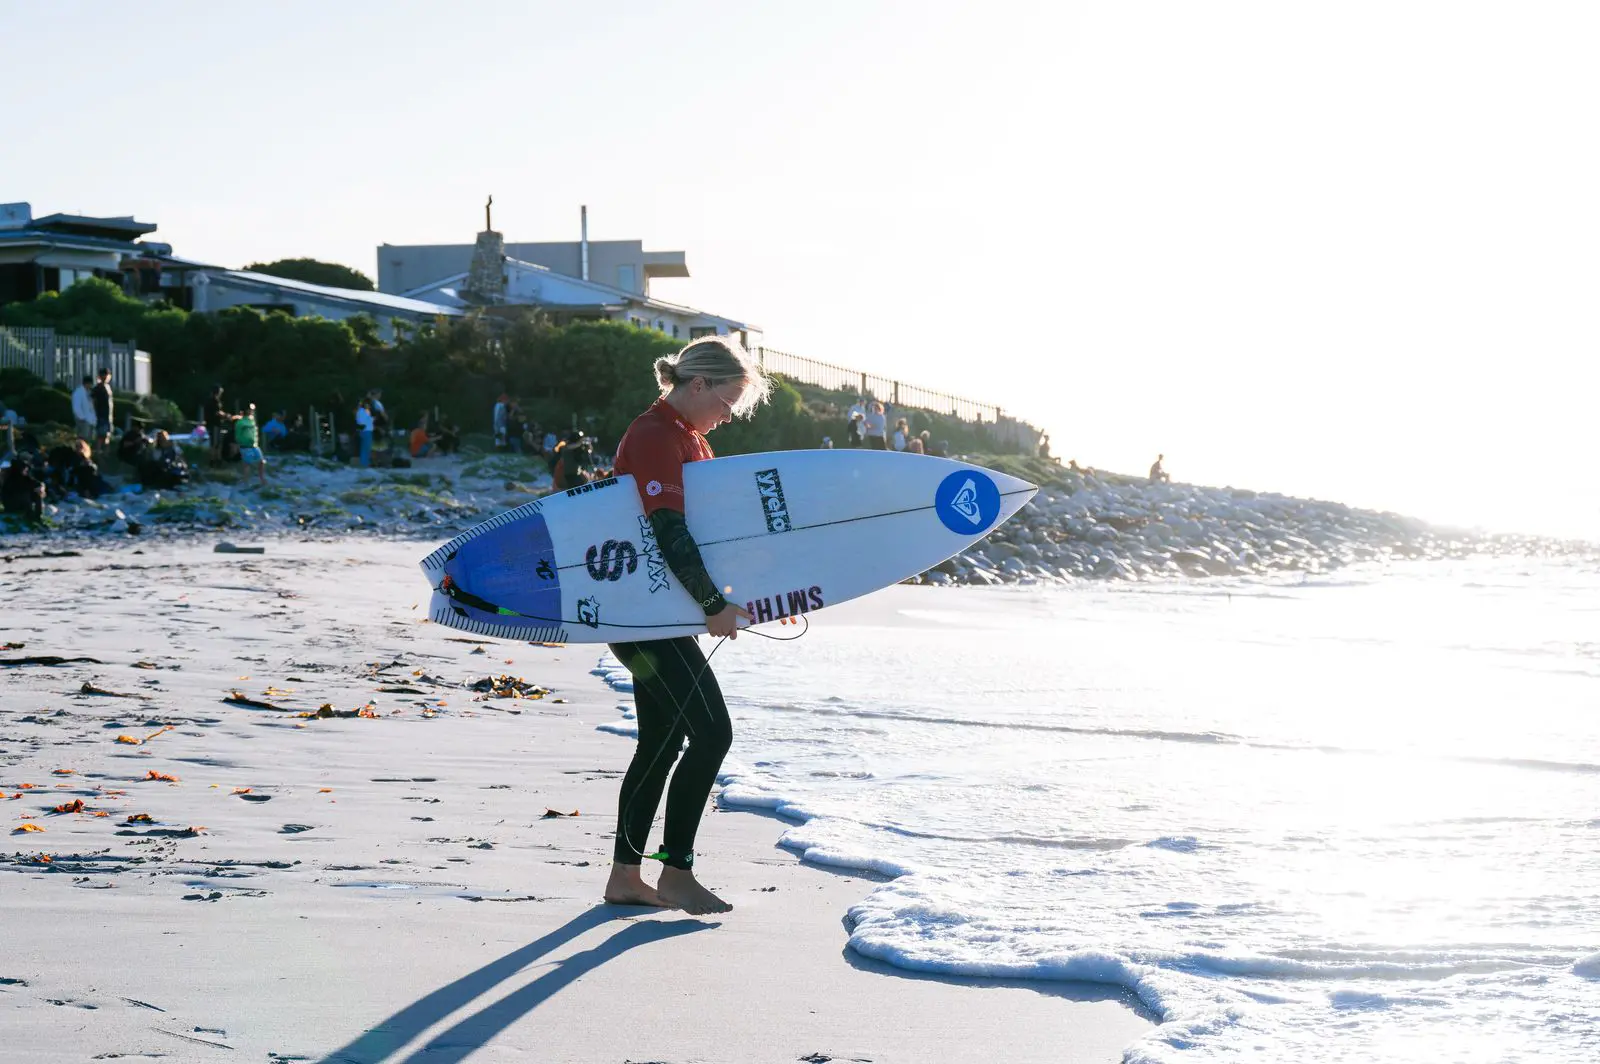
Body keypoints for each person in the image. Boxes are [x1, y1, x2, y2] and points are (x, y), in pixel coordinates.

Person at [604, 335, 772, 915]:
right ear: (697, 384)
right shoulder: (655, 436)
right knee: (712, 733)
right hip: (642, 617)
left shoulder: (688, 438)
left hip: (657, 613)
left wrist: (752, 594)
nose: (727, 418)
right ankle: (676, 871)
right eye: (726, 403)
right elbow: (668, 530)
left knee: (661, 739)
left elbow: (715, 533)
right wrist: (710, 603)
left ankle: (626, 875)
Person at [1, 458, 45, 523]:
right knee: (25, 494)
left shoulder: (25, 477)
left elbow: (37, 484)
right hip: (11, 504)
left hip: (21, 503)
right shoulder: (10, 478)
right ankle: (29, 516)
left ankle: (37, 517)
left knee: (36, 495)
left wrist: (40, 488)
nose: (26, 469)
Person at [235, 403, 267, 487]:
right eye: (251, 409)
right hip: (245, 446)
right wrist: (239, 444)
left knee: (261, 461)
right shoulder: (240, 422)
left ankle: (262, 479)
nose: (252, 411)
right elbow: (238, 435)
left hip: (254, 445)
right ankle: (246, 482)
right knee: (247, 464)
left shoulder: (252, 420)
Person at [90, 368, 114, 458]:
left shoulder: (108, 387)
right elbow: (93, 401)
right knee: (100, 436)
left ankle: (105, 455)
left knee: (106, 436)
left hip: (108, 416)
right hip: (101, 415)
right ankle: (99, 455)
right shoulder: (97, 388)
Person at [203, 385, 227, 467]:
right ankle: (214, 460)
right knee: (215, 443)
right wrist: (226, 416)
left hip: (211, 424)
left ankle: (215, 460)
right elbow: (218, 412)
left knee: (215, 442)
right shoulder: (214, 401)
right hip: (215, 425)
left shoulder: (209, 401)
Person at [71, 375, 96, 441]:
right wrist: (82, 417)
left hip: (89, 420)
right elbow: (76, 407)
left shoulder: (88, 392)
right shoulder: (78, 392)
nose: (91, 386)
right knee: (83, 438)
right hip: (83, 420)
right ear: (87, 383)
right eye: (91, 384)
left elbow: (91, 407)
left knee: (88, 438)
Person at [354, 398, 375, 467]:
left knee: (365, 448)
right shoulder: (363, 411)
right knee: (366, 448)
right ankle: (364, 463)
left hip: (365, 430)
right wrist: (371, 419)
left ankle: (365, 463)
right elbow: (363, 421)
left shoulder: (361, 411)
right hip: (366, 431)